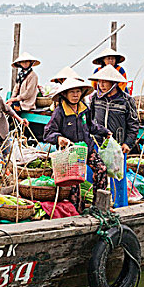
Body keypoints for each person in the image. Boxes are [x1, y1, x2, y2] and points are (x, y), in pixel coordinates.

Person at [44, 79, 110, 212]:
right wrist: (59, 138)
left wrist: (105, 131)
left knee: (101, 169)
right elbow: (48, 133)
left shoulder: (85, 109)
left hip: (87, 148)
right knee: (74, 184)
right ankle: (76, 212)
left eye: (78, 91)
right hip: (70, 153)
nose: (75, 95)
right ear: (65, 94)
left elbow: (91, 126)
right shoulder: (60, 112)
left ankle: (99, 206)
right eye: (72, 92)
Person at [90, 65, 140, 208]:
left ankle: (120, 207)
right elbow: (90, 119)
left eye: (105, 82)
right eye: (100, 81)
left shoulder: (126, 100)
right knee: (95, 176)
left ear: (114, 83)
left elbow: (134, 124)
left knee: (118, 179)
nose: (102, 85)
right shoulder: (95, 98)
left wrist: (128, 143)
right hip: (97, 143)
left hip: (118, 146)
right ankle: (96, 205)